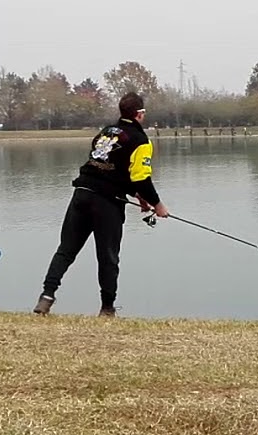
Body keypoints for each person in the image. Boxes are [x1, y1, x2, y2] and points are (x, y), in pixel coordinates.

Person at [33, 92, 169, 317]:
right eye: (143, 113)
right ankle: (107, 309)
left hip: (82, 194)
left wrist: (139, 198)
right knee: (108, 256)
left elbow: (108, 168)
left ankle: (46, 296)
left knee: (66, 250)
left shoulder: (106, 132)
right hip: (106, 203)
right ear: (139, 115)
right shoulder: (141, 140)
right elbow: (140, 178)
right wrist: (158, 204)